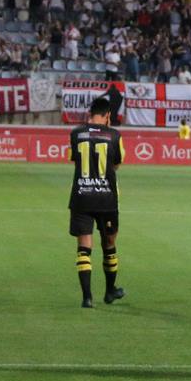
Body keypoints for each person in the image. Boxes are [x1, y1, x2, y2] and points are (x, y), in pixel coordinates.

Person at [68, 95, 125, 309]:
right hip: (106, 198)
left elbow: (73, 159)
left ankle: (87, 297)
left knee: (84, 248)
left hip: (81, 196)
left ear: (90, 113)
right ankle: (110, 291)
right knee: (109, 245)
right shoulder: (114, 135)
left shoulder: (75, 134)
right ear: (108, 115)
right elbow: (117, 164)